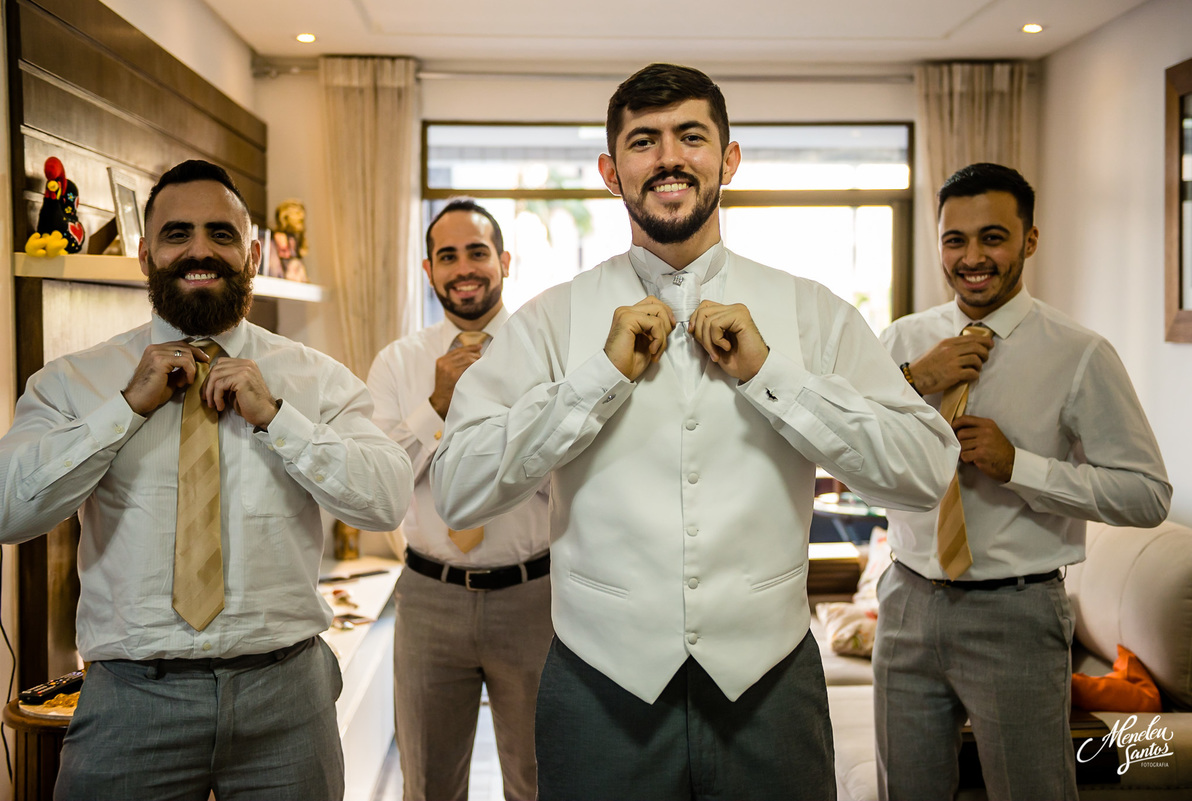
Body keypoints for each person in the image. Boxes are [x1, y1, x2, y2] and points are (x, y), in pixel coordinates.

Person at [430, 63, 959, 800]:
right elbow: (457, 488)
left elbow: (925, 469)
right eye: (643, 141)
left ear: (728, 159)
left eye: (691, 136)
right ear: (612, 172)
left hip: (771, 688)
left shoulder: (812, 312)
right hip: (597, 690)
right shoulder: (551, 322)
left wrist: (776, 376)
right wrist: (596, 378)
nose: (669, 157)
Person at [0, 159, 414, 800]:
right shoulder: (73, 381)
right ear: (145, 255)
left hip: (287, 702)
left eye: (221, 235)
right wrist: (125, 410)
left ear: (252, 254)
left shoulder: (316, 378)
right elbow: (11, 511)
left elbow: (387, 500)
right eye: (177, 234)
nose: (200, 250)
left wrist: (279, 418)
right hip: (130, 702)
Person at [873, 162, 1171, 801]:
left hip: (1017, 611)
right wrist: (912, 382)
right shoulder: (903, 341)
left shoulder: (1080, 354)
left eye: (993, 237)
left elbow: (1147, 495)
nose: (972, 257)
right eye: (955, 240)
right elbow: (852, 458)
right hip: (904, 603)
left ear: (1029, 241)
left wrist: (1020, 468)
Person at [367, 198, 552, 801]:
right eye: (447, 256)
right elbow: (380, 483)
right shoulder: (398, 364)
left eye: (477, 252)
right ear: (428, 271)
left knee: (540, 781)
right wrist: (437, 404)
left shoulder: (546, 354)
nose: (463, 268)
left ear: (503, 260)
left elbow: (565, 470)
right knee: (429, 786)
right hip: (429, 600)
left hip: (535, 599)